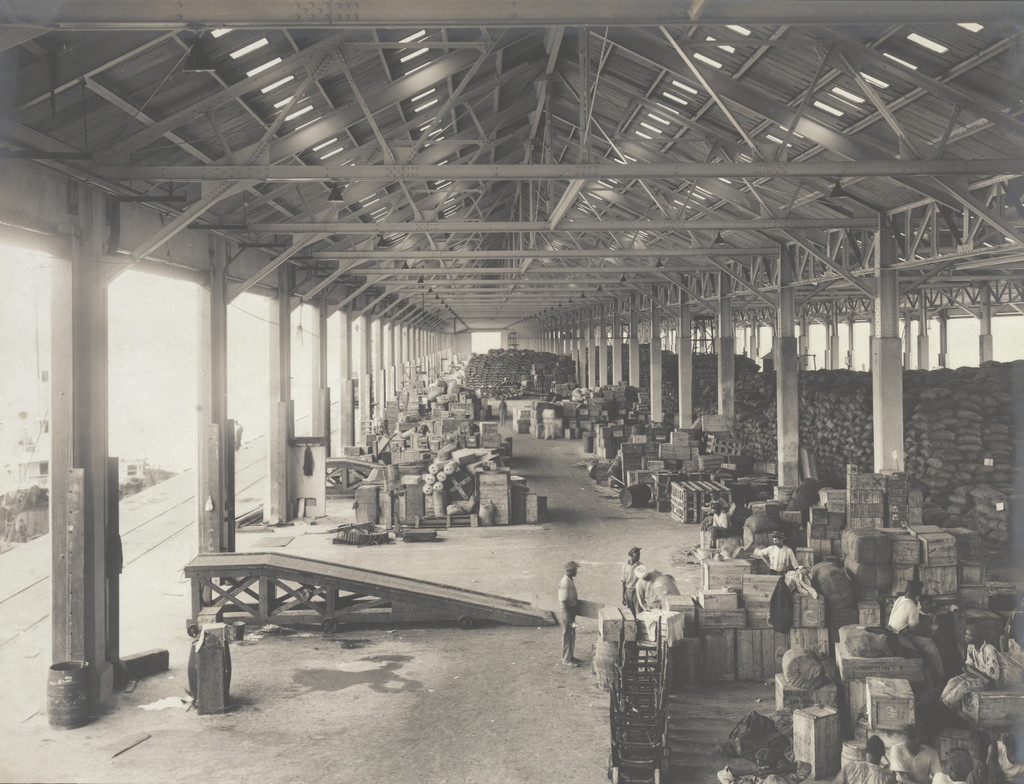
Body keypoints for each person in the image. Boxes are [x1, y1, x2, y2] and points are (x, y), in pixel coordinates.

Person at [887, 579, 946, 689]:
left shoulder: (900, 599)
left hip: (890, 632)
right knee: (930, 643)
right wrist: (930, 630)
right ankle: (939, 679)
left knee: (926, 642)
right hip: (900, 636)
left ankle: (935, 678)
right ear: (917, 593)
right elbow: (914, 629)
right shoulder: (912, 606)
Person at [941, 624, 1001, 710]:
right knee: (953, 681)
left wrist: (980, 675)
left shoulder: (988, 649)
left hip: (989, 681)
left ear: (978, 637)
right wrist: (980, 675)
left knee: (963, 685)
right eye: (966, 634)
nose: (965, 637)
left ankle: (944, 706)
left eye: (969, 635)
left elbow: (994, 676)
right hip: (980, 676)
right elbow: (968, 666)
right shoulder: (971, 646)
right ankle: (940, 702)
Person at [558, 561, 582, 666]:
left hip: (571, 611)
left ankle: (570, 656)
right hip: (566, 612)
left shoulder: (569, 580)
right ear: (570, 571)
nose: (576, 572)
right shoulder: (565, 582)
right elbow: (563, 601)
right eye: (575, 570)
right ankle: (566, 659)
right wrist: (567, 616)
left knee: (571, 634)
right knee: (567, 635)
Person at [621, 547, 644, 617]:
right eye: (637, 556)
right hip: (628, 591)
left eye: (639, 555)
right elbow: (623, 581)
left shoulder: (641, 566)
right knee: (631, 613)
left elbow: (644, 581)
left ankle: (639, 623)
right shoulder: (625, 566)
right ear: (631, 556)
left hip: (637, 591)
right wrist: (623, 596)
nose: (638, 557)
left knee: (639, 611)